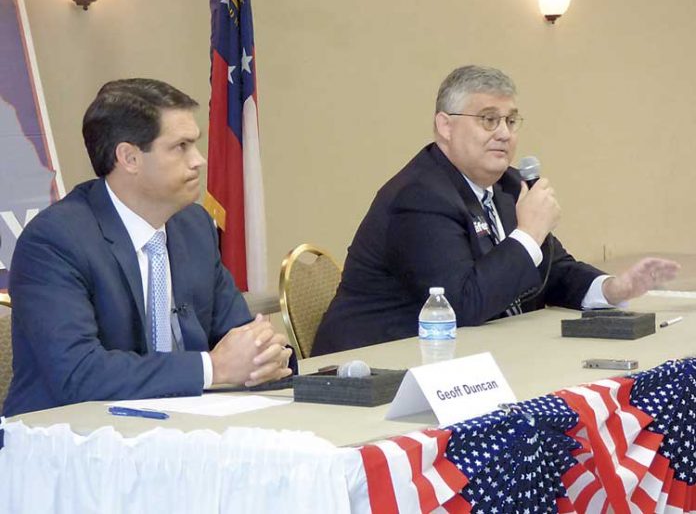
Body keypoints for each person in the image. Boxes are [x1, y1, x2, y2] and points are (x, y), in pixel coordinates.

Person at [313, 65, 679, 356]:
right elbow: (462, 305)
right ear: (445, 125)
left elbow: (553, 271)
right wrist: (527, 235)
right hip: (373, 371)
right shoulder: (420, 197)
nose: (504, 133)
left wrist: (612, 288)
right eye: (489, 119)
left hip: (460, 361)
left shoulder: (508, 186)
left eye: (510, 120)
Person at [3, 78, 293, 416]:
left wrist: (265, 353)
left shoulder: (194, 226)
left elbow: (238, 333)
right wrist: (213, 368)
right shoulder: (55, 241)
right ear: (129, 158)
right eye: (181, 146)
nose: (198, 160)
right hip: (67, 441)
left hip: (183, 427)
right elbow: (79, 373)